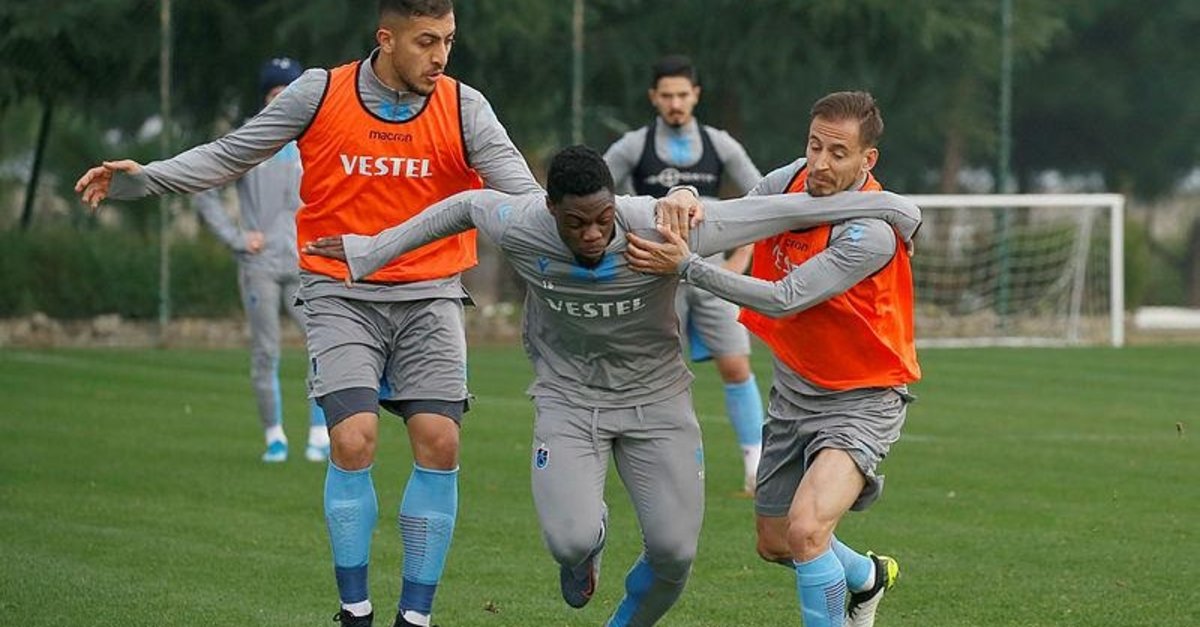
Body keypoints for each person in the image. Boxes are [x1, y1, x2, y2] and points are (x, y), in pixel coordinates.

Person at [303, 145, 921, 626]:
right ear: (551, 212)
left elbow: (779, 210)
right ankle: (585, 553)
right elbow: (463, 205)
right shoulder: (521, 223)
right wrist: (371, 250)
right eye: (577, 224)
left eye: (603, 220)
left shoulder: (660, 226)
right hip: (568, 400)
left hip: (658, 402)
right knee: (569, 540)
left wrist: (893, 207)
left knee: (675, 555)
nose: (594, 234)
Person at [75, 2, 548, 625]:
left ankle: (415, 617)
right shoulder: (320, 92)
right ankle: (355, 612)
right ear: (387, 39)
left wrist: (595, 228)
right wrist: (146, 179)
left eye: (449, 41)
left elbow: (526, 198)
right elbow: (232, 153)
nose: (440, 56)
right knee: (352, 438)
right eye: (426, 41)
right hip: (338, 291)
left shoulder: (466, 107)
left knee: (440, 441)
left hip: (431, 292)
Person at [625, 91, 920, 627]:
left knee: (807, 531)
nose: (820, 163)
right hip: (794, 388)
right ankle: (866, 577)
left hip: (862, 397)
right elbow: (734, 216)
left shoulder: (871, 234)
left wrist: (687, 267)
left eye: (838, 152)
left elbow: (785, 297)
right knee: (776, 541)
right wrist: (685, 195)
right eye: (815, 146)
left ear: (867, 159)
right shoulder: (789, 181)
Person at [604, 54, 765, 494]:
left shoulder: (720, 144)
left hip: (711, 275)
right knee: (654, 370)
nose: (675, 103)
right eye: (667, 95)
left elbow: (762, 199)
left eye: (682, 95)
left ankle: (757, 465)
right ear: (653, 98)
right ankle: (652, 463)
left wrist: (740, 260)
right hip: (654, 277)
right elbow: (595, 195)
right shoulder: (632, 147)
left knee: (736, 365)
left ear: (696, 95)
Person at [191, 57, 329, 464]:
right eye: (275, 93)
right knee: (266, 351)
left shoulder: (316, 139)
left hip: (306, 263)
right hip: (260, 266)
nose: (283, 99)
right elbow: (205, 190)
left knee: (324, 345)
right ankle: (274, 437)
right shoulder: (250, 139)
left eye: (290, 92)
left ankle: (320, 433)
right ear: (266, 98)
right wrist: (236, 237)